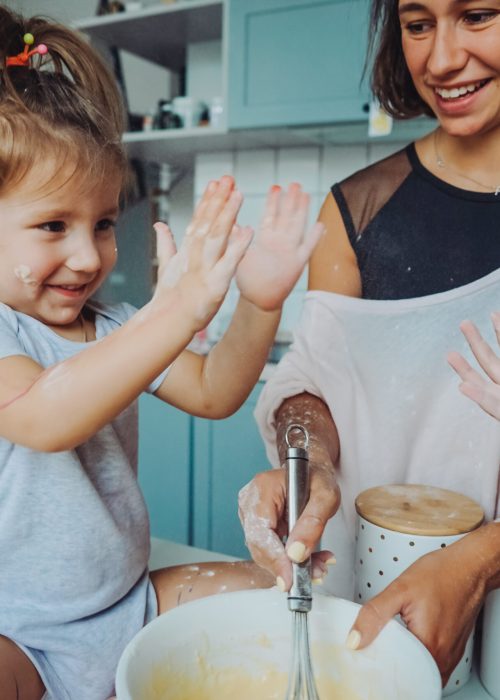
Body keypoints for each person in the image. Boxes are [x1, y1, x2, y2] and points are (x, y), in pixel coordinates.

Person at [0, 6, 324, 700]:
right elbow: (43, 415)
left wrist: (259, 302)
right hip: (19, 635)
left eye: (106, 222)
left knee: (290, 601)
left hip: (128, 606)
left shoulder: (115, 325)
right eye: (53, 225)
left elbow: (214, 391)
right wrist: (174, 310)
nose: (88, 255)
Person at [238, 0, 500, 686]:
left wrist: (477, 561)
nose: (440, 60)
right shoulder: (358, 211)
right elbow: (311, 385)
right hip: (378, 605)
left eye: (478, 15)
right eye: (418, 24)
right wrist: (311, 459)